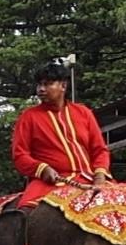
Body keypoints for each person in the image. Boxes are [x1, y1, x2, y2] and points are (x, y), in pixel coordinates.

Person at [10, 62, 112, 208]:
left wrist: (100, 177)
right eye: (39, 85)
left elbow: (100, 150)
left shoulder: (84, 113)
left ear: (63, 86)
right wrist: (43, 169)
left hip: (90, 179)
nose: (41, 89)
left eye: (48, 84)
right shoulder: (28, 117)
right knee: (27, 212)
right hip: (49, 183)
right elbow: (20, 155)